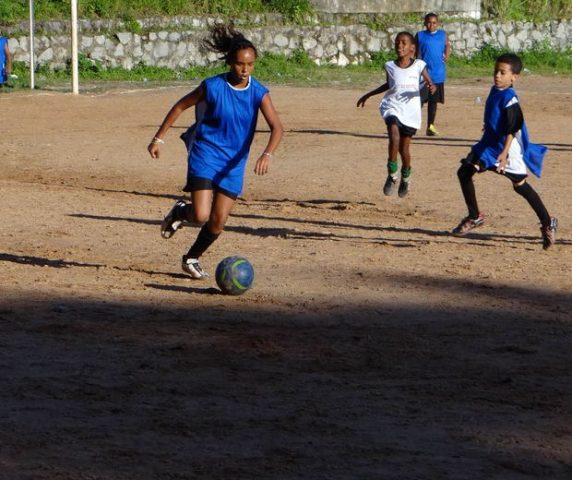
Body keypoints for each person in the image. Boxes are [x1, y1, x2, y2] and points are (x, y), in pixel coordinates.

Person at [148, 24, 283, 278]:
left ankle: (191, 258)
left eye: (251, 64)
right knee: (200, 215)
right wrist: (159, 139)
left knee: (218, 220)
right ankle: (181, 211)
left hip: (234, 163)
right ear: (230, 62)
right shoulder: (213, 86)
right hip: (206, 154)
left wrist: (267, 154)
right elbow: (180, 106)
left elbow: (277, 127)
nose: (245, 70)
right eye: (240, 64)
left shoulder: (258, 92)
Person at [452, 53, 557, 250]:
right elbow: (494, 115)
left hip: (505, 148)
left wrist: (504, 153)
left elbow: (513, 127)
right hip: (488, 144)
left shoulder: (510, 97)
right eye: (496, 71)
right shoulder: (495, 90)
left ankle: (547, 222)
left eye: (503, 72)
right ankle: (475, 216)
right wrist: (488, 125)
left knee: (520, 185)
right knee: (464, 171)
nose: (497, 76)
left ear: (514, 77)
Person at [357, 31, 436, 198]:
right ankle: (392, 175)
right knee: (394, 136)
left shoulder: (419, 65)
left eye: (403, 43)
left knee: (404, 149)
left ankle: (405, 177)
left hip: (410, 111)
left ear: (412, 48)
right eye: (397, 42)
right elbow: (389, 84)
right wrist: (369, 94)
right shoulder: (390, 66)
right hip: (392, 106)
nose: (399, 45)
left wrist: (431, 85)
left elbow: (428, 80)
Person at [415, 12, 450, 136]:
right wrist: (417, 67)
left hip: (437, 74)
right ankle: (411, 124)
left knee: (433, 102)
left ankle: (430, 126)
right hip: (424, 74)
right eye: (429, 22)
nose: (431, 25)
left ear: (438, 24)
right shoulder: (420, 36)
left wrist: (447, 54)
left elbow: (447, 45)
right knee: (418, 101)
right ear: (425, 23)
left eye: (434, 23)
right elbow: (417, 53)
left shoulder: (442, 35)